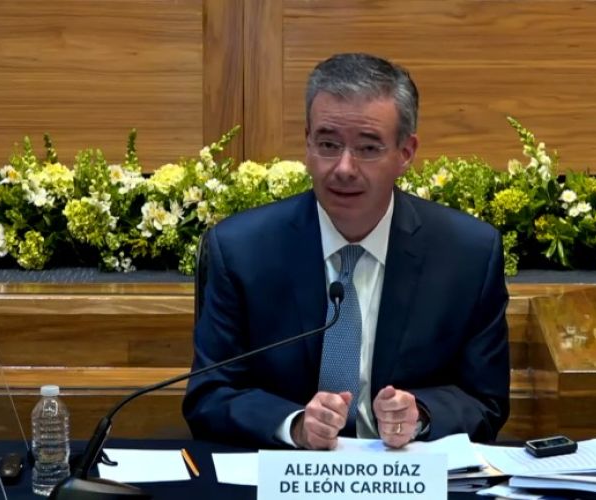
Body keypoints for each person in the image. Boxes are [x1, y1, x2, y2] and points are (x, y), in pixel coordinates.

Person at [183, 53, 509, 450]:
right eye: (327, 144)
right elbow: (211, 394)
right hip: (283, 477)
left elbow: (485, 400)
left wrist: (421, 415)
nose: (343, 168)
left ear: (406, 152)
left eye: (368, 148)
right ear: (306, 142)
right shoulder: (241, 250)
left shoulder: (466, 254)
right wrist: (296, 424)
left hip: (405, 477)